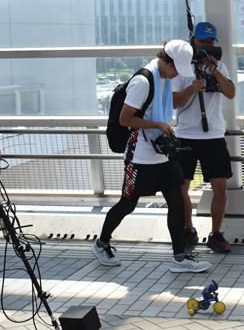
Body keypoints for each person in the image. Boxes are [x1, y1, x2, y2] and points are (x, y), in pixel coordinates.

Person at [92, 40, 211, 273]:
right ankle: (101, 243)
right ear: (165, 60)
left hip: (162, 154)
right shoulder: (143, 81)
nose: (178, 73)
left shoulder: (165, 78)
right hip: (140, 157)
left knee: (176, 201)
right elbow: (125, 119)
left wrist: (164, 123)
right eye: (176, 68)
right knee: (128, 204)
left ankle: (179, 258)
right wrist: (157, 123)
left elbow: (170, 103)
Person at [172, 22, 236, 253]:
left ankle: (216, 233)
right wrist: (192, 88)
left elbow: (230, 93)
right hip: (185, 135)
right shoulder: (182, 68)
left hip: (214, 135)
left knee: (220, 187)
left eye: (211, 42)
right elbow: (172, 101)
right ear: (193, 42)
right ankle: (188, 230)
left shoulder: (220, 66)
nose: (207, 46)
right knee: (181, 188)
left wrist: (215, 70)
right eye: (202, 41)